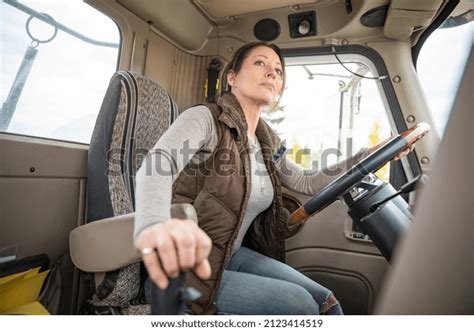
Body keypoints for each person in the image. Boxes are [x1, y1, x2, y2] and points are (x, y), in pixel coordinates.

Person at [134, 42, 415, 315]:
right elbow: (157, 165)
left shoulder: (266, 139)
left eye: (278, 71)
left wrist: (368, 155)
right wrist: (154, 226)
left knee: (326, 302)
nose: (272, 73)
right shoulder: (206, 118)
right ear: (232, 77)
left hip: (231, 256)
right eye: (260, 63)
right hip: (185, 268)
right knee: (301, 306)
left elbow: (306, 181)